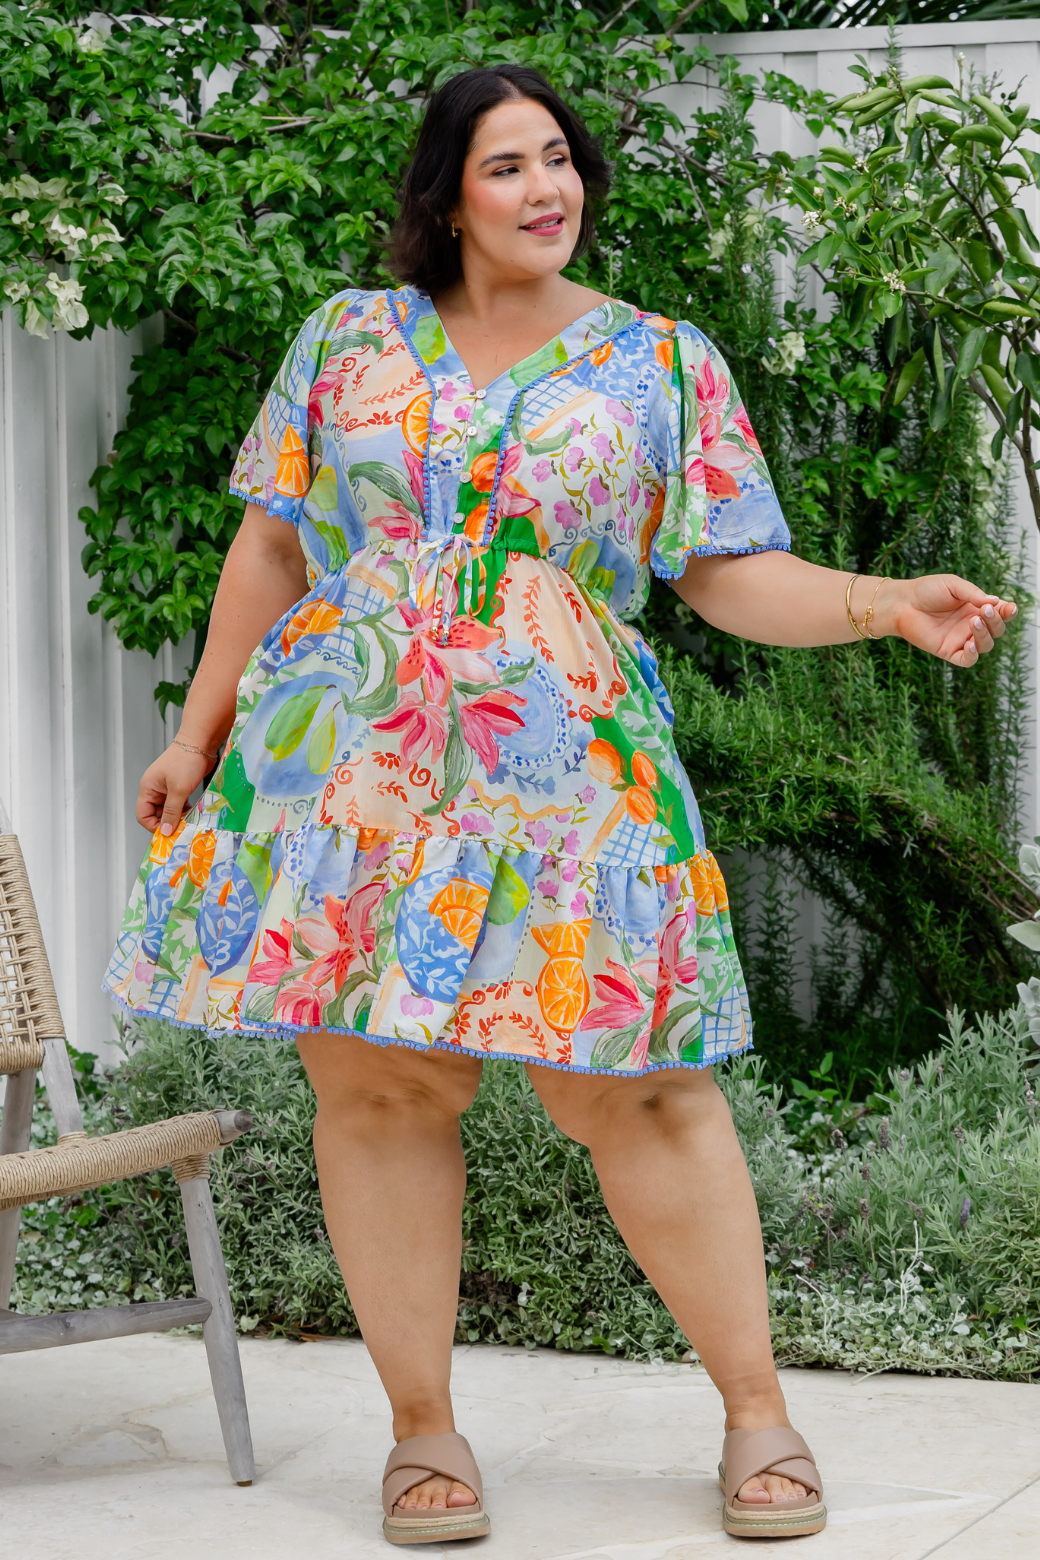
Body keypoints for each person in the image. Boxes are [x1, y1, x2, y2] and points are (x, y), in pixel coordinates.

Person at [104, 64, 1015, 1545]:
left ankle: (757, 1410)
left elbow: (726, 571)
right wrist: (199, 734)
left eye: (560, 160)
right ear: (446, 195)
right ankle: (421, 1431)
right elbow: (272, 546)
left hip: (567, 773)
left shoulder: (660, 364)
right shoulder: (348, 336)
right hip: (351, 765)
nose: (548, 190)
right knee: (380, 1091)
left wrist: (880, 602)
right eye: (508, 166)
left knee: (640, 1086)